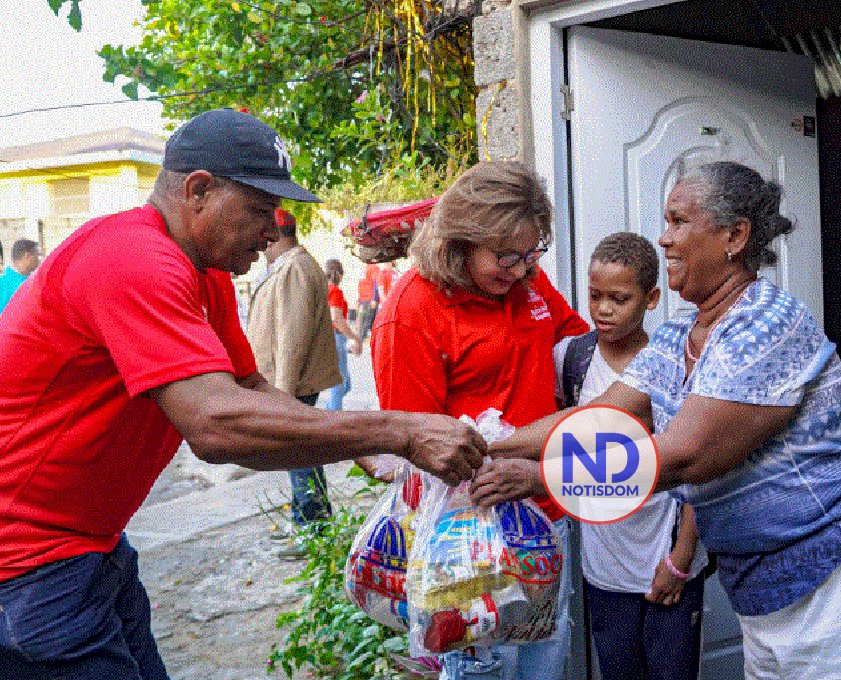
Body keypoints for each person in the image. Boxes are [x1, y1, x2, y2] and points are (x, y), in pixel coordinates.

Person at [0, 108, 485, 679]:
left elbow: (249, 388)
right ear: (198, 191)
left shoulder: (203, 273)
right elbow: (215, 426)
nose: (272, 229)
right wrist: (399, 430)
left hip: (90, 544)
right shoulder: (132, 256)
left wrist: (366, 447)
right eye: (259, 209)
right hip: (27, 561)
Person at [479, 161, 841, 679]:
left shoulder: (764, 324)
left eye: (678, 221)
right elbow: (598, 416)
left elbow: (683, 455)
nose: (664, 238)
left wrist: (539, 478)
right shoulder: (677, 337)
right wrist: (485, 445)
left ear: (734, 237)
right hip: (769, 586)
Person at [368, 161, 590, 680]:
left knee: (543, 665)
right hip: (467, 538)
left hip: (544, 513)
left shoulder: (527, 282)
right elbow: (417, 448)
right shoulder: (412, 311)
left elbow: (579, 346)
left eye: (531, 254)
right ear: (460, 241)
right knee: (482, 667)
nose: (520, 270)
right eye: (506, 256)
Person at [554, 232, 707, 680]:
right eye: (595, 296)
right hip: (604, 571)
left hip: (669, 562)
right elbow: (560, 441)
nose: (603, 309)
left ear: (651, 299)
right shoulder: (572, 360)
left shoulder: (676, 363)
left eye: (619, 299)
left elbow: (699, 465)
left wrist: (680, 559)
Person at [245, 208, 342, 550]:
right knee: (299, 457)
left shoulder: (295, 268)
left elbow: (292, 336)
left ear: (272, 235)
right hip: (287, 383)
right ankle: (307, 521)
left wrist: (282, 394)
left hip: (291, 384)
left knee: (300, 456)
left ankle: (312, 529)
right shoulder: (289, 266)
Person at [325, 257, 364, 412]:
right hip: (335, 337)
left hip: (330, 337)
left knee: (345, 384)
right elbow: (336, 319)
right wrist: (355, 338)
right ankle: (333, 417)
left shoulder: (323, 290)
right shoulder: (335, 291)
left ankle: (329, 412)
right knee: (339, 384)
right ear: (340, 274)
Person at [0, 238, 41, 315]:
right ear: (27, 256)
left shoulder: (3, 281)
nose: (40, 260)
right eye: (38, 255)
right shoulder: (25, 286)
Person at [356, 262, 381, 338]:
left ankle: (361, 339)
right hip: (370, 302)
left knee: (362, 324)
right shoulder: (374, 268)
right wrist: (374, 299)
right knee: (366, 324)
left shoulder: (364, 273)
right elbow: (376, 282)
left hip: (364, 302)